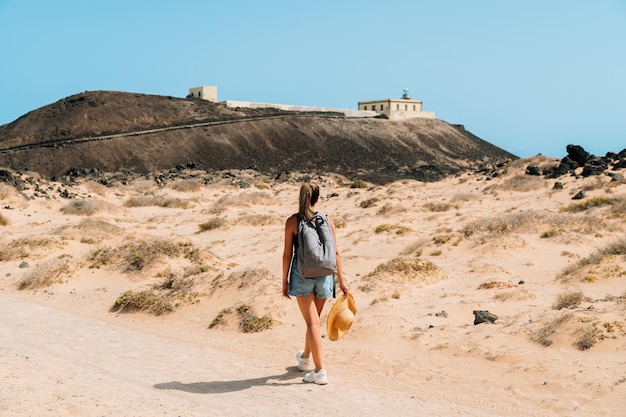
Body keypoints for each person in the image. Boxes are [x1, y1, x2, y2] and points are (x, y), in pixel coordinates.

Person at [282, 182, 349, 385]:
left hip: (302, 276)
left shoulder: (292, 222)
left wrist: (284, 281)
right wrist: (342, 282)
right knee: (314, 321)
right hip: (325, 276)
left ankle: (319, 371)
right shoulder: (327, 220)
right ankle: (304, 359)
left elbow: (287, 254)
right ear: (317, 199)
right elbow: (336, 253)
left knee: (312, 323)